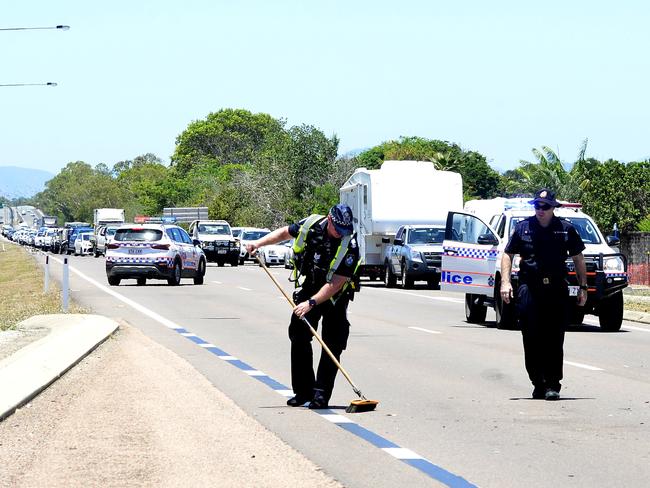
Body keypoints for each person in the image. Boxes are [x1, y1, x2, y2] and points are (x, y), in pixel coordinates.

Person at [246, 204, 360, 409]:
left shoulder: (350, 244)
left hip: (336, 294)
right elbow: (284, 233)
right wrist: (258, 243)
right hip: (311, 285)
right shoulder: (311, 225)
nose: (340, 234)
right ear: (330, 220)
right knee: (298, 333)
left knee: (333, 341)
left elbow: (336, 282)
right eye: (337, 230)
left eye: (344, 231)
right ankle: (303, 391)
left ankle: (321, 394)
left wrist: (312, 303)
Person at [500, 189, 588, 401]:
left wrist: (583, 287)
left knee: (554, 337)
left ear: (553, 208)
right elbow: (508, 254)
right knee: (531, 337)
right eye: (537, 206)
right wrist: (505, 282)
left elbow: (578, 258)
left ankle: (552, 384)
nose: (540, 210)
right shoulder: (523, 228)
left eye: (545, 206)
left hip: (556, 289)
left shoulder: (566, 229)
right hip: (529, 287)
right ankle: (537, 381)